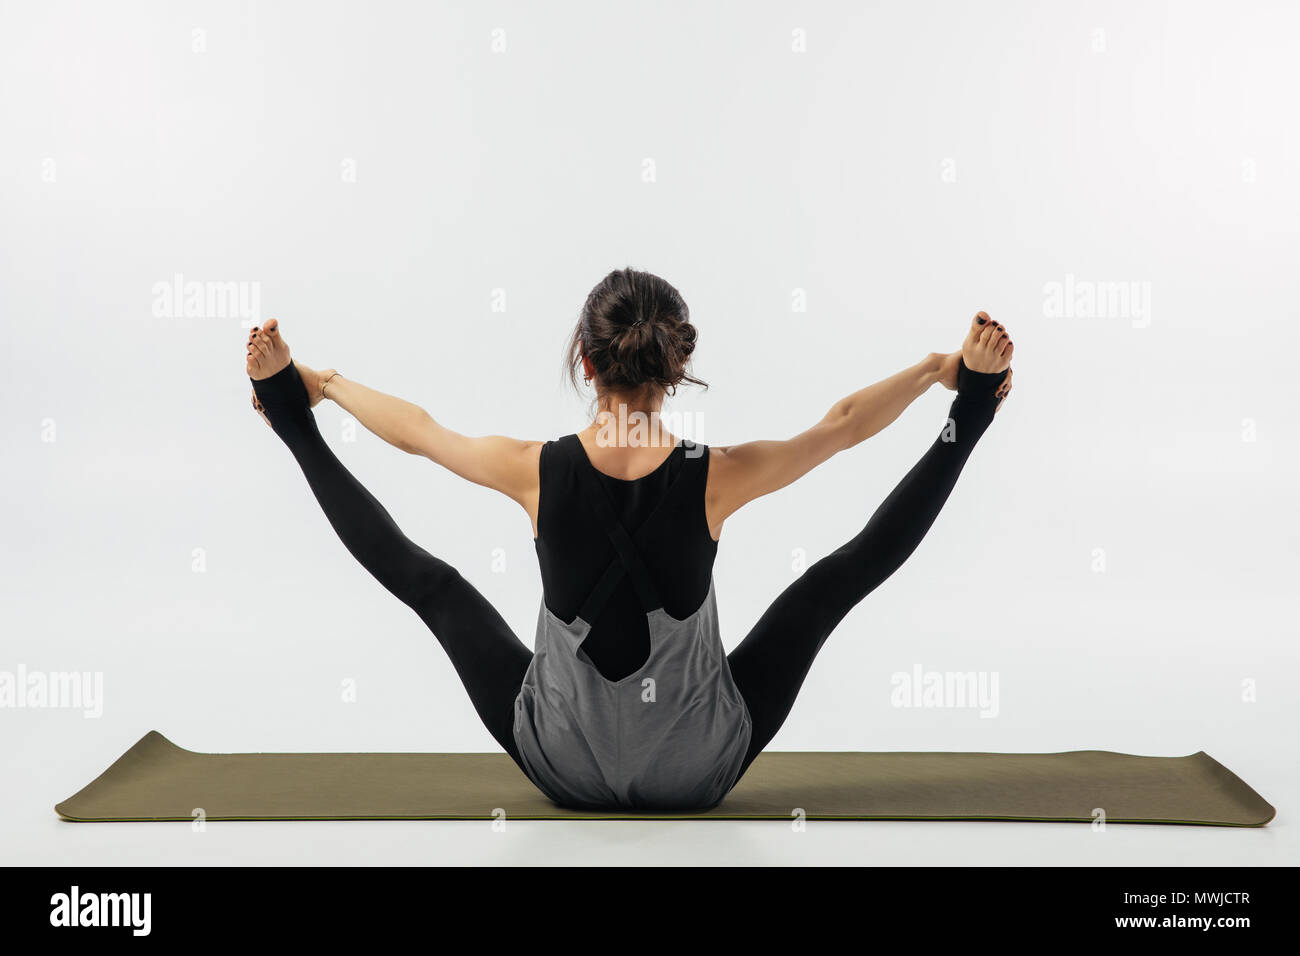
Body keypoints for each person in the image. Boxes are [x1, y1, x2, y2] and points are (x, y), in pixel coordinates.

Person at [244, 267, 1013, 811]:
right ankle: (974, 421)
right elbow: (840, 428)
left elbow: (419, 433)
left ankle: (289, 427)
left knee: (432, 585)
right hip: (697, 771)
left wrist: (318, 386)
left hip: (561, 764)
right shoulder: (716, 476)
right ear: (676, 369)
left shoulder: (533, 470)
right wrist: (945, 377)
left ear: (585, 362)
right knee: (833, 582)